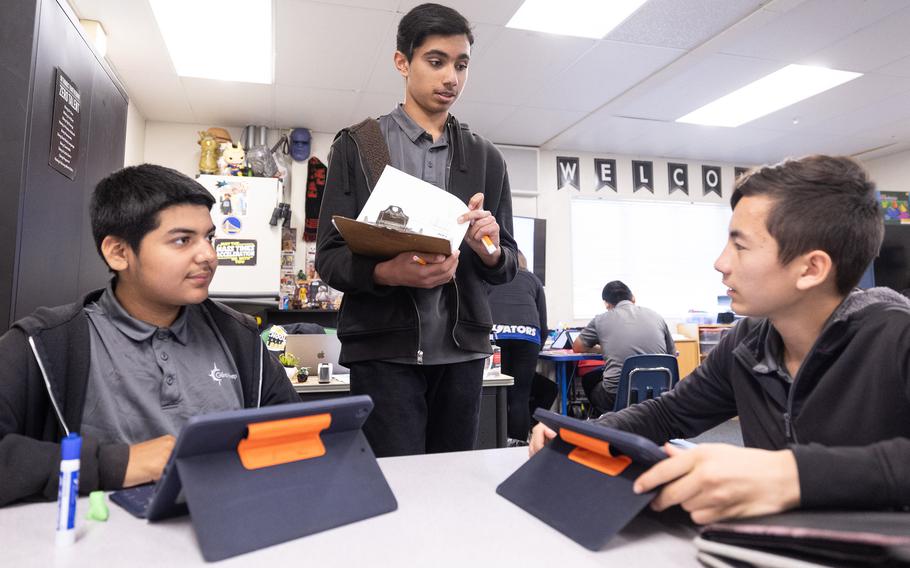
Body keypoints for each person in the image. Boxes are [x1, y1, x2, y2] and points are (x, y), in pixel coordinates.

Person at [531, 155, 910, 523]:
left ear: (811, 268)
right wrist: (579, 433)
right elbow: (668, 413)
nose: (720, 262)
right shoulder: (749, 341)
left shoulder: (896, 335)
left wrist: (787, 474)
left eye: (740, 246)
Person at [0, 164, 299, 507]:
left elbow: (298, 436)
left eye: (209, 237)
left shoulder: (240, 337)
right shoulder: (45, 343)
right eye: (183, 240)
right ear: (119, 252)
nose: (208, 256)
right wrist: (117, 464)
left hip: (226, 530)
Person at [316, 3, 518, 457]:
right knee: (393, 487)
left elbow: (507, 262)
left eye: (461, 65)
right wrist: (390, 273)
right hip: (381, 352)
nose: (451, 77)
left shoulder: (487, 158)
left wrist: (487, 248)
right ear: (402, 62)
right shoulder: (359, 145)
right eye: (436, 61)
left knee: (453, 486)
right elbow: (329, 257)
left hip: (463, 353)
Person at [574, 281, 675, 414]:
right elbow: (672, 354)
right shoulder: (656, 316)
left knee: (589, 379)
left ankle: (607, 423)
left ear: (607, 304)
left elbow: (578, 346)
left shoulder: (601, 320)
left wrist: (600, 348)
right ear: (633, 298)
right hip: (658, 392)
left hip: (616, 396)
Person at [488, 251, 548, 444]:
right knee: (520, 396)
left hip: (496, 335)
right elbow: (543, 323)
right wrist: (536, 348)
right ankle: (518, 445)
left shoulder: (491, 277)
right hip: (528, 336)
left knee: (497, 393)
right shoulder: (533, 280)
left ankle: (495, 441)